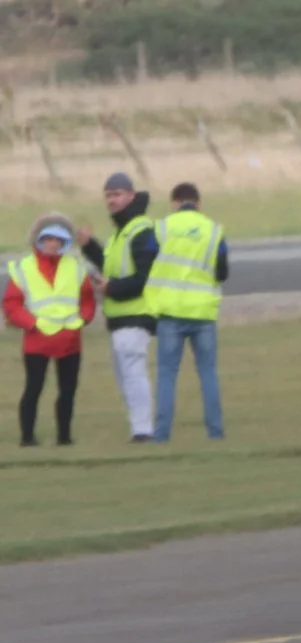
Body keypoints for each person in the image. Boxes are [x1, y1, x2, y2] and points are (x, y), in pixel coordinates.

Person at [143, 182, 226, 443]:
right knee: (208, 372)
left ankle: (162, 434)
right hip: (202, 311)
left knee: (167, 374)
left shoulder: (162, 228)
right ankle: (216, 432)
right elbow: (222, 271)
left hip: (170, 311)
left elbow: (145, 259)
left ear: (173, 203)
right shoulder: (213, 230)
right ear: (199, 204)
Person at [76, 172, 155, 442]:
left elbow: (145, 277)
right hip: (119, 316)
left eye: (117, 194)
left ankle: (143, 430)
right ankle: (139, 426)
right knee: (125, 376)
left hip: (136, 314)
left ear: (131, 196)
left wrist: (112, 288)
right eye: (108, 196)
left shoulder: (141, 230)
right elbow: (111, 267)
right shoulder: (120, 232)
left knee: (133, 373)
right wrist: (89, 247)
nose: (112, 200)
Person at [6, 215, 98, 447]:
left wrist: (83, 318)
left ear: (65, 242)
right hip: (37, 340)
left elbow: (88, 299)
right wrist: (31, 324)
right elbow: (11, 303)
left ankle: (64, 437)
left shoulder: (76, 267)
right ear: (39, 240)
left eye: (58, 239)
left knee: (67, 391)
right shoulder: (23, 267)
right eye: (48, 238)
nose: (52, 244)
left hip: (69, 340)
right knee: (33, 388)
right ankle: (27, 438)